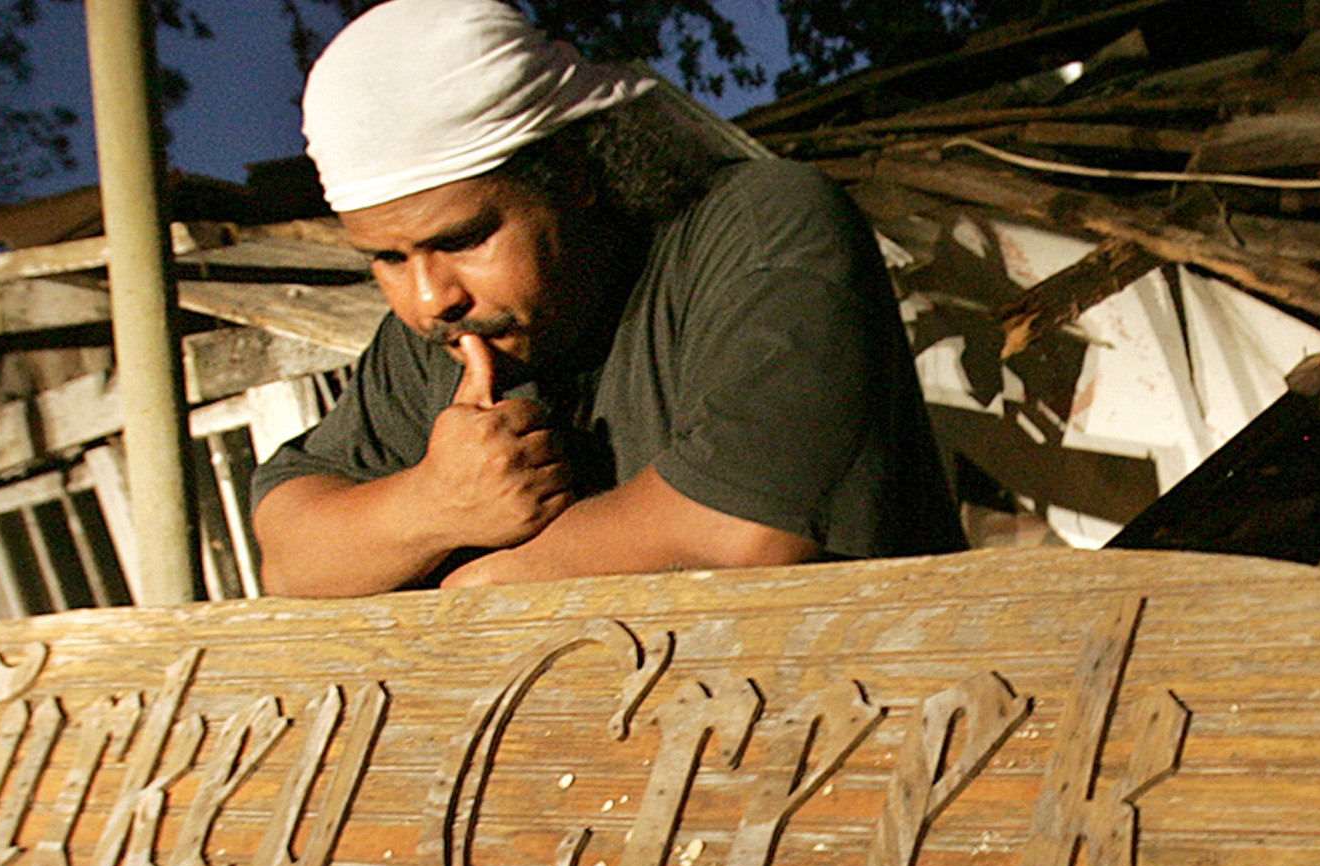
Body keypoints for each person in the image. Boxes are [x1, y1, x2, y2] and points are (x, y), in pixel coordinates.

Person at [249, 0, 964, 597]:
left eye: (465, 239)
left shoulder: (762, 225)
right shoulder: (433, 336)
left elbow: (746, 530)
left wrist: (491, 578)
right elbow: (290, 555)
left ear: (571, 176)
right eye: (387, 258)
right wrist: (433, 505)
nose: (431, 296)